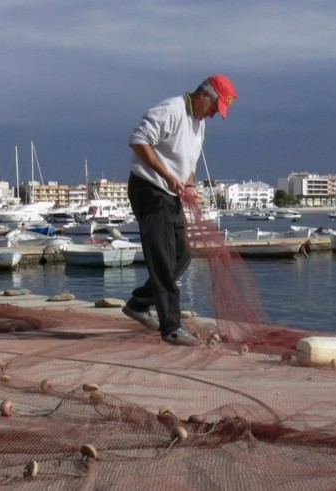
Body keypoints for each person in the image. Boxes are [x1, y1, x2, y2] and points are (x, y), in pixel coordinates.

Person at [122, 74, 237, 346]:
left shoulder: (199, 124)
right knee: (161, 257)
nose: (212, 115)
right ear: (204, 96)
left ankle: (139, 303)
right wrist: (167, 175)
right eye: (214, 108)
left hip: (172, 192)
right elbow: (138, 141)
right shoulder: (172, 109)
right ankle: (171, 327)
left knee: (182, 254)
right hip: (149, 189)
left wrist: (190, 185)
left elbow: (189, 164)